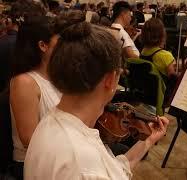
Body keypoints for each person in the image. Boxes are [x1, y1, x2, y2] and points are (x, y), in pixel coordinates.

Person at [24, 21, 169, 180]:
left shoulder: (50, 120)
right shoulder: (85, 166)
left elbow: (115, 170)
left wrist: (148, 140)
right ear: (110, 79)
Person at [9, 10, 85, 180]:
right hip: (34, 163)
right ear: (43, 45)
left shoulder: (56, 75)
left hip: (57, 156)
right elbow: (30, 139)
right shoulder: (25, 82)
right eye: (60, 41)